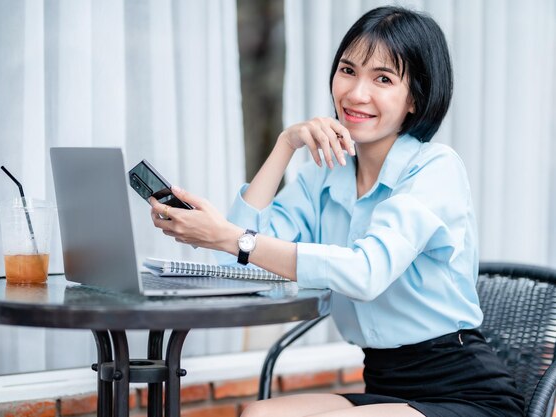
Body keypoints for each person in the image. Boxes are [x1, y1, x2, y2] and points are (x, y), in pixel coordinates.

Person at [149, 6, 525, 417]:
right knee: (260, 414)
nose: (356, 93)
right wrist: (285, 146)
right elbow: (245, 252)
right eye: (348, 70)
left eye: (383, 78)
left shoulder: (435, 169)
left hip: (465, 391)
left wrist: (229, 236)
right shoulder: (325, 177)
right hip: (385, 384)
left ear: (415, 97)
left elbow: (365, 273)